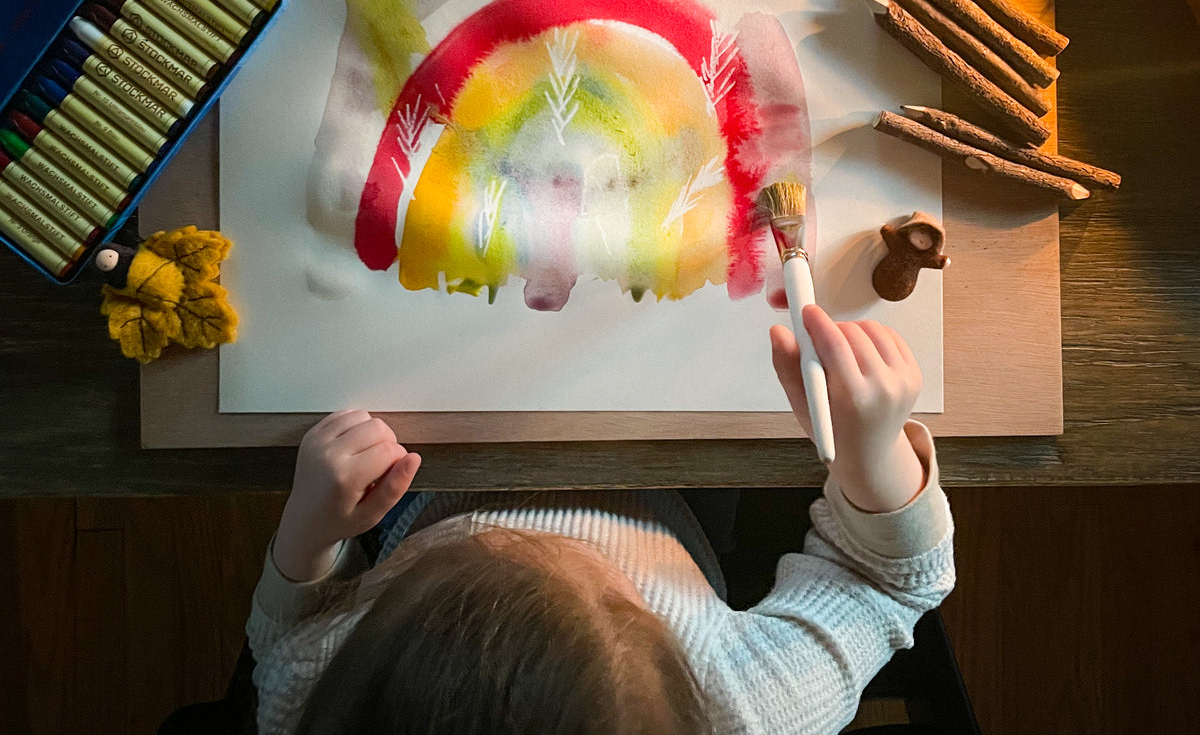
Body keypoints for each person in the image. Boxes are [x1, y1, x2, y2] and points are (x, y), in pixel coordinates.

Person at [247, 305, 954, 735]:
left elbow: (285, 636)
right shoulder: (753, 710)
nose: (536, 532)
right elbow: (890, 584)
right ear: (683, 679)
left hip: (419, 494)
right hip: (674, 503)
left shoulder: (312, 702)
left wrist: (308, 542)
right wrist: (873, 454)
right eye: (603, 585)